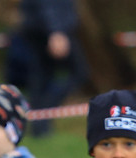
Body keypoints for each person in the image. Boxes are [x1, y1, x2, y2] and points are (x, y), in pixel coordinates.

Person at [7, 0, 89, 136]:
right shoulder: (54, 28)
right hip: (50, 32)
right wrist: (56, 31)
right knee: (78, 73)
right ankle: (43, 115)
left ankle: (39, 122)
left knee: (41, 79)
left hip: (40, 30)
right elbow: (49, 5)